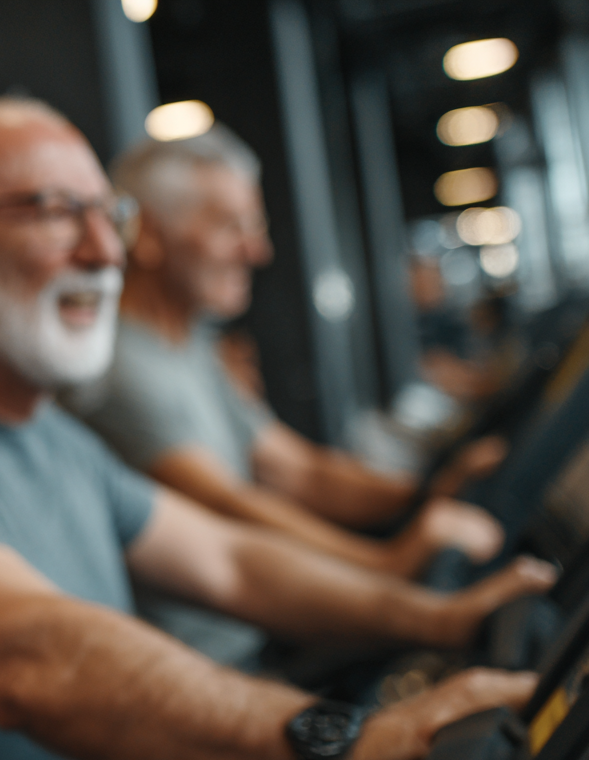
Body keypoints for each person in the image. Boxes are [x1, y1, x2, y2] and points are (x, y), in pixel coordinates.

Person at [0, 97, 555, 760]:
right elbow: (29, 658)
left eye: (110, 216)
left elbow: (230, 561)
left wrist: (439, 615)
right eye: (56, 212)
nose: (106, 249)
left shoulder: (52, 435)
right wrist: (340, 744)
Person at [64, 129, 507, 583]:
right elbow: (230, 507)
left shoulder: (193, 345)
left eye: (255, 227)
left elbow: (297, 470)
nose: (258, 251)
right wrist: (387, 565)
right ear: (148, 236)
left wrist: (428, 494)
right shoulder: (115, 365)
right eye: (230, 226)